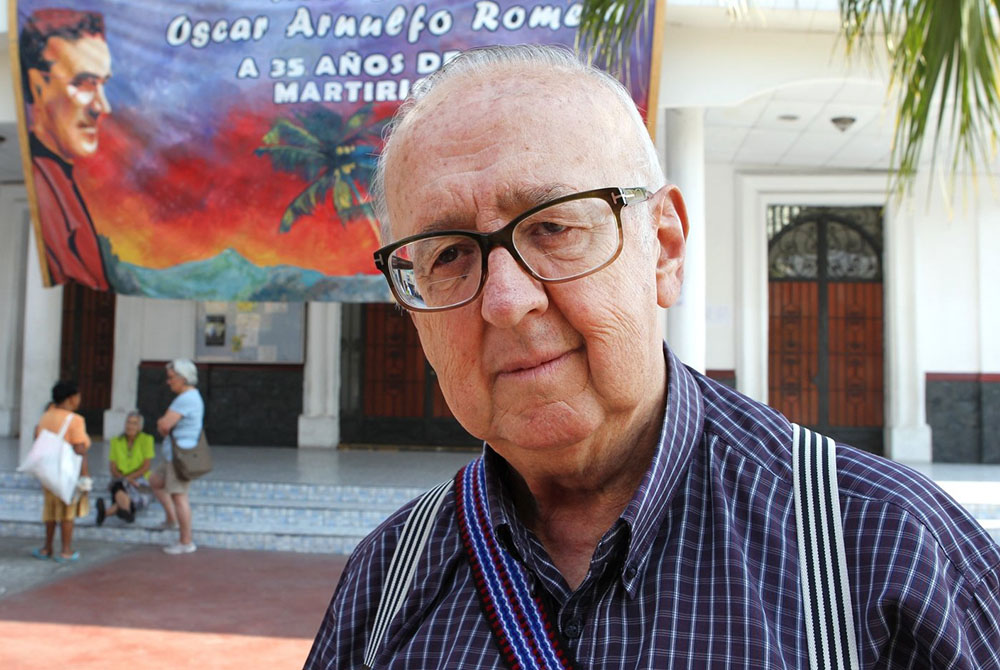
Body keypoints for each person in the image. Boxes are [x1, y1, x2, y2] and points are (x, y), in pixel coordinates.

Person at [306, 45, 1000, 669]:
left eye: (553, 226)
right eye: (449, 255)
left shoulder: (884, 552)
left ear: (664, 248)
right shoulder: (387, 583)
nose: (506, 300)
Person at [19, 8, 112, 290]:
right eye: (84, 84)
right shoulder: (45, 188)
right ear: (37, 86)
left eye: (103, 85)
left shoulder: (64, 183)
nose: (102, 107)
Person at [31, 380, 91, 563]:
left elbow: (37, 438)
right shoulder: (75, 420)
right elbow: (79, 449)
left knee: (50, 509)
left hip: (48, 470)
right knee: (67, 511)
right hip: (67, 471)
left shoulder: (46, 416)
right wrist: (85, 475)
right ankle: (65, 550)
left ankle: (47, 547)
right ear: (71, 398)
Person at [149, 359, 204, 555]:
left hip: (180, 455)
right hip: (175, 454)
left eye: (172, 378)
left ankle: (186, 541)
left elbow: (164, 425)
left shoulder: (185, 399)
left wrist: (162, 423)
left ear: (183, 378)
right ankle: (171, 519)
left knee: (180, 497)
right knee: (155, 481)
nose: (168, 382)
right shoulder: (189, 397)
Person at [96, 410, 153, 526]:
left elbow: (146, 466)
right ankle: (128, 513)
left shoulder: (147, 440)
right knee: (120, 487)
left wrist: (131, 478)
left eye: (134, 423)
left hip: (139, 478)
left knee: (139, 496)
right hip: (120, 477)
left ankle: (105, 513)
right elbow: (113, 468)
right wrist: (125, 479)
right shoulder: (116, 441)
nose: (130, 426)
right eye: (128, 422)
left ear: (140, 427)